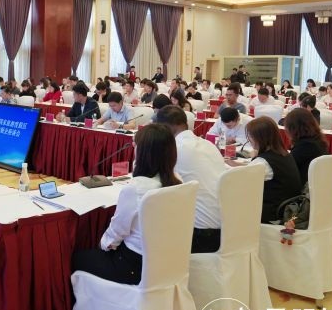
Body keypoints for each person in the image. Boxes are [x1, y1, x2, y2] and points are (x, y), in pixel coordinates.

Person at [71, 124, 181, 284]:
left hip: (133, 266)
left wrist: (102, 245)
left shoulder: (135, 189)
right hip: (167, 261)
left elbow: (116, 234)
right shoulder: (178, 181)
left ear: (143, 154)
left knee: (78, 258)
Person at [156, 105, 225, 253]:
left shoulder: (175, 149)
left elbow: (152, 182)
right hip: (225, 227)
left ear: (165, 128)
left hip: (199, 233)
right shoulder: (209, 144)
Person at [226, 117, 303, 223]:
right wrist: (240, 165)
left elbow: (241, 183)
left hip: (272, 213)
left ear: (260, 138)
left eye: (250, 136)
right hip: (287, 207)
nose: (249, 140)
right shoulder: (284, 154)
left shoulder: (263, 162)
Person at [284, 108, 328, 187]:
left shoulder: (304, 146)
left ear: (293, 128)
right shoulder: (318, 141)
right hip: (318, 185)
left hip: (304, 189)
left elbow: (288, 168)